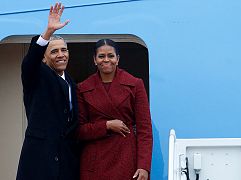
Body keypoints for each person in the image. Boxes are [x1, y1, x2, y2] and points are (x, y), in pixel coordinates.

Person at [17, 3, 79, 180]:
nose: (61, 55)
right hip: (39, 161)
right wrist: (47, 33)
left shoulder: (71, 83)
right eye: (54, 51)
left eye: (64, 50)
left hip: (66, 163)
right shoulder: (36, 75)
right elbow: (30, 62)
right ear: (44, 58)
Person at [77, 39, 153, 180]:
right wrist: (106, 126)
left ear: (117, 59)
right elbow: (79, 130)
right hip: (95, 162)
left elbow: (145, 130)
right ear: (94, 60)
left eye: (111, 56)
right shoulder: (83, 88)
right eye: (101, 56)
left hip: (125, 158)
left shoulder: (135, 84)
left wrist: (143, 166)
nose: (106, 60)